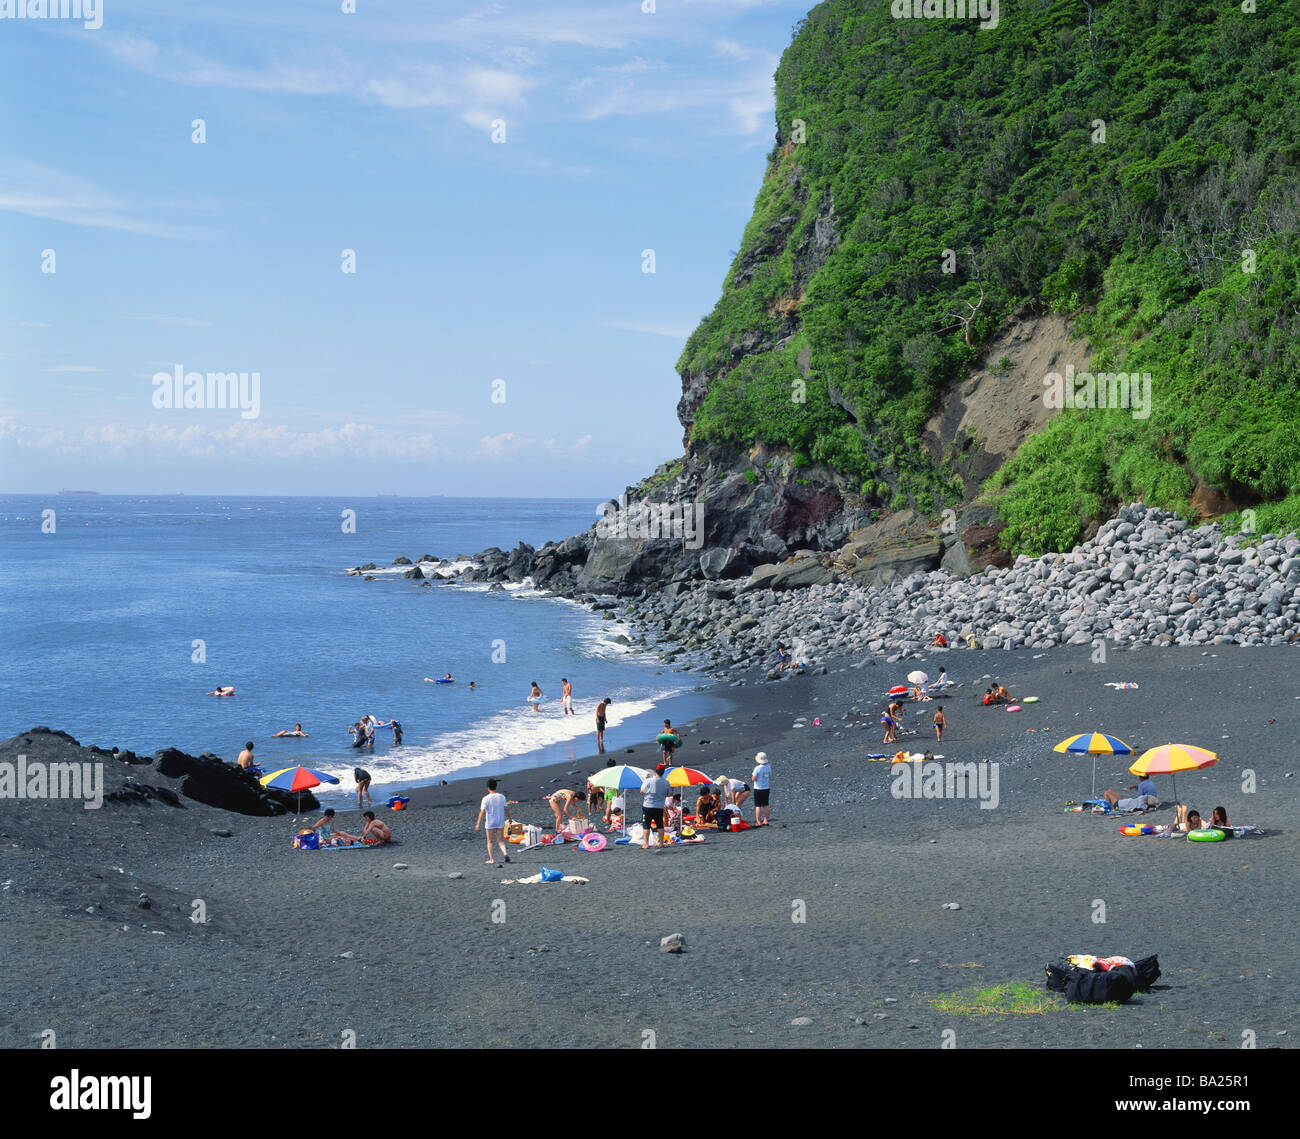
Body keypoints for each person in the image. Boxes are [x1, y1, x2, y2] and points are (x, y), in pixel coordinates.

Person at [475, 778, 512, 866]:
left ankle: (492, 859)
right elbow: (506, 808)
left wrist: (478, 823)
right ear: (496, 787)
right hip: (500, 821)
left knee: (490, 841)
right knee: (500, 841)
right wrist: (509, 818)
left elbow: (482, 812)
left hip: (490, 822)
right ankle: (505, 853)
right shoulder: (502, 796)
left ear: (488, 788)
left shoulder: (486, 798)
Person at [640, 764, 670, 850]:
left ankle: (646, 844)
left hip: (648, 806)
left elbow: (642, 791)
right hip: (659, 806)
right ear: (663, 772)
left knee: (646, 825)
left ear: (655, 771)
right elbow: (669, 794)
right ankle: (661, 843)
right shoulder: (666, 782)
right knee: (660, 825)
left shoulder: (650, 781)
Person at [751, 752, 772, 826]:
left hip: (758, 788)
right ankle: (766, 820)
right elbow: (770, 776)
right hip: (766, 788)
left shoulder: (757, 768)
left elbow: (753, 779)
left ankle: (758, 821)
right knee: (766, 804)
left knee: (758, 805)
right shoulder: (768, 767)